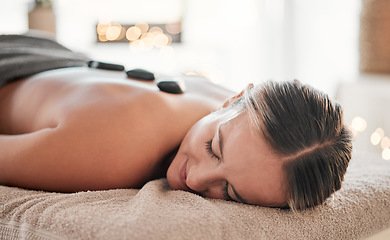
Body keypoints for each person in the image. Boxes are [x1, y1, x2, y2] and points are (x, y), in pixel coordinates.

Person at [0, 34, 352, 211]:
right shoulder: (115, 151)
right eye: (213, 148)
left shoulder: (233, 109)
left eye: (230, 193)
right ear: (232, 101)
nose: (196, 180)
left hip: (57, 56)